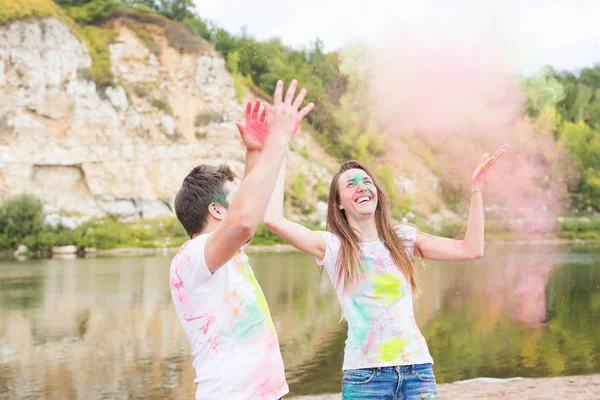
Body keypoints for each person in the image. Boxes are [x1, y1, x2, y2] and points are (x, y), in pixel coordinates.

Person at [264, 143, 509, 399]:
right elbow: (273, 221)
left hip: (418, 372)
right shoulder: (333, 247)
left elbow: (471, 249)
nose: (361, 186)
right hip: (365, 377)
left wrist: (476, 189)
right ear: (339, 204)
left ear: (376, 192)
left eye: (366, 181)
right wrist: (279, 154)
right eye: (351, 184)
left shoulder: (402, 239)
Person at [169, 79, 314, 400]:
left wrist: (255, 153)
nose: (242, 206)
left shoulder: (222, 255)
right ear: (217, 211)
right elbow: (245, 222)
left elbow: (243, 217)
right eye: (232, 201)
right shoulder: (192, 257)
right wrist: (279, 139)